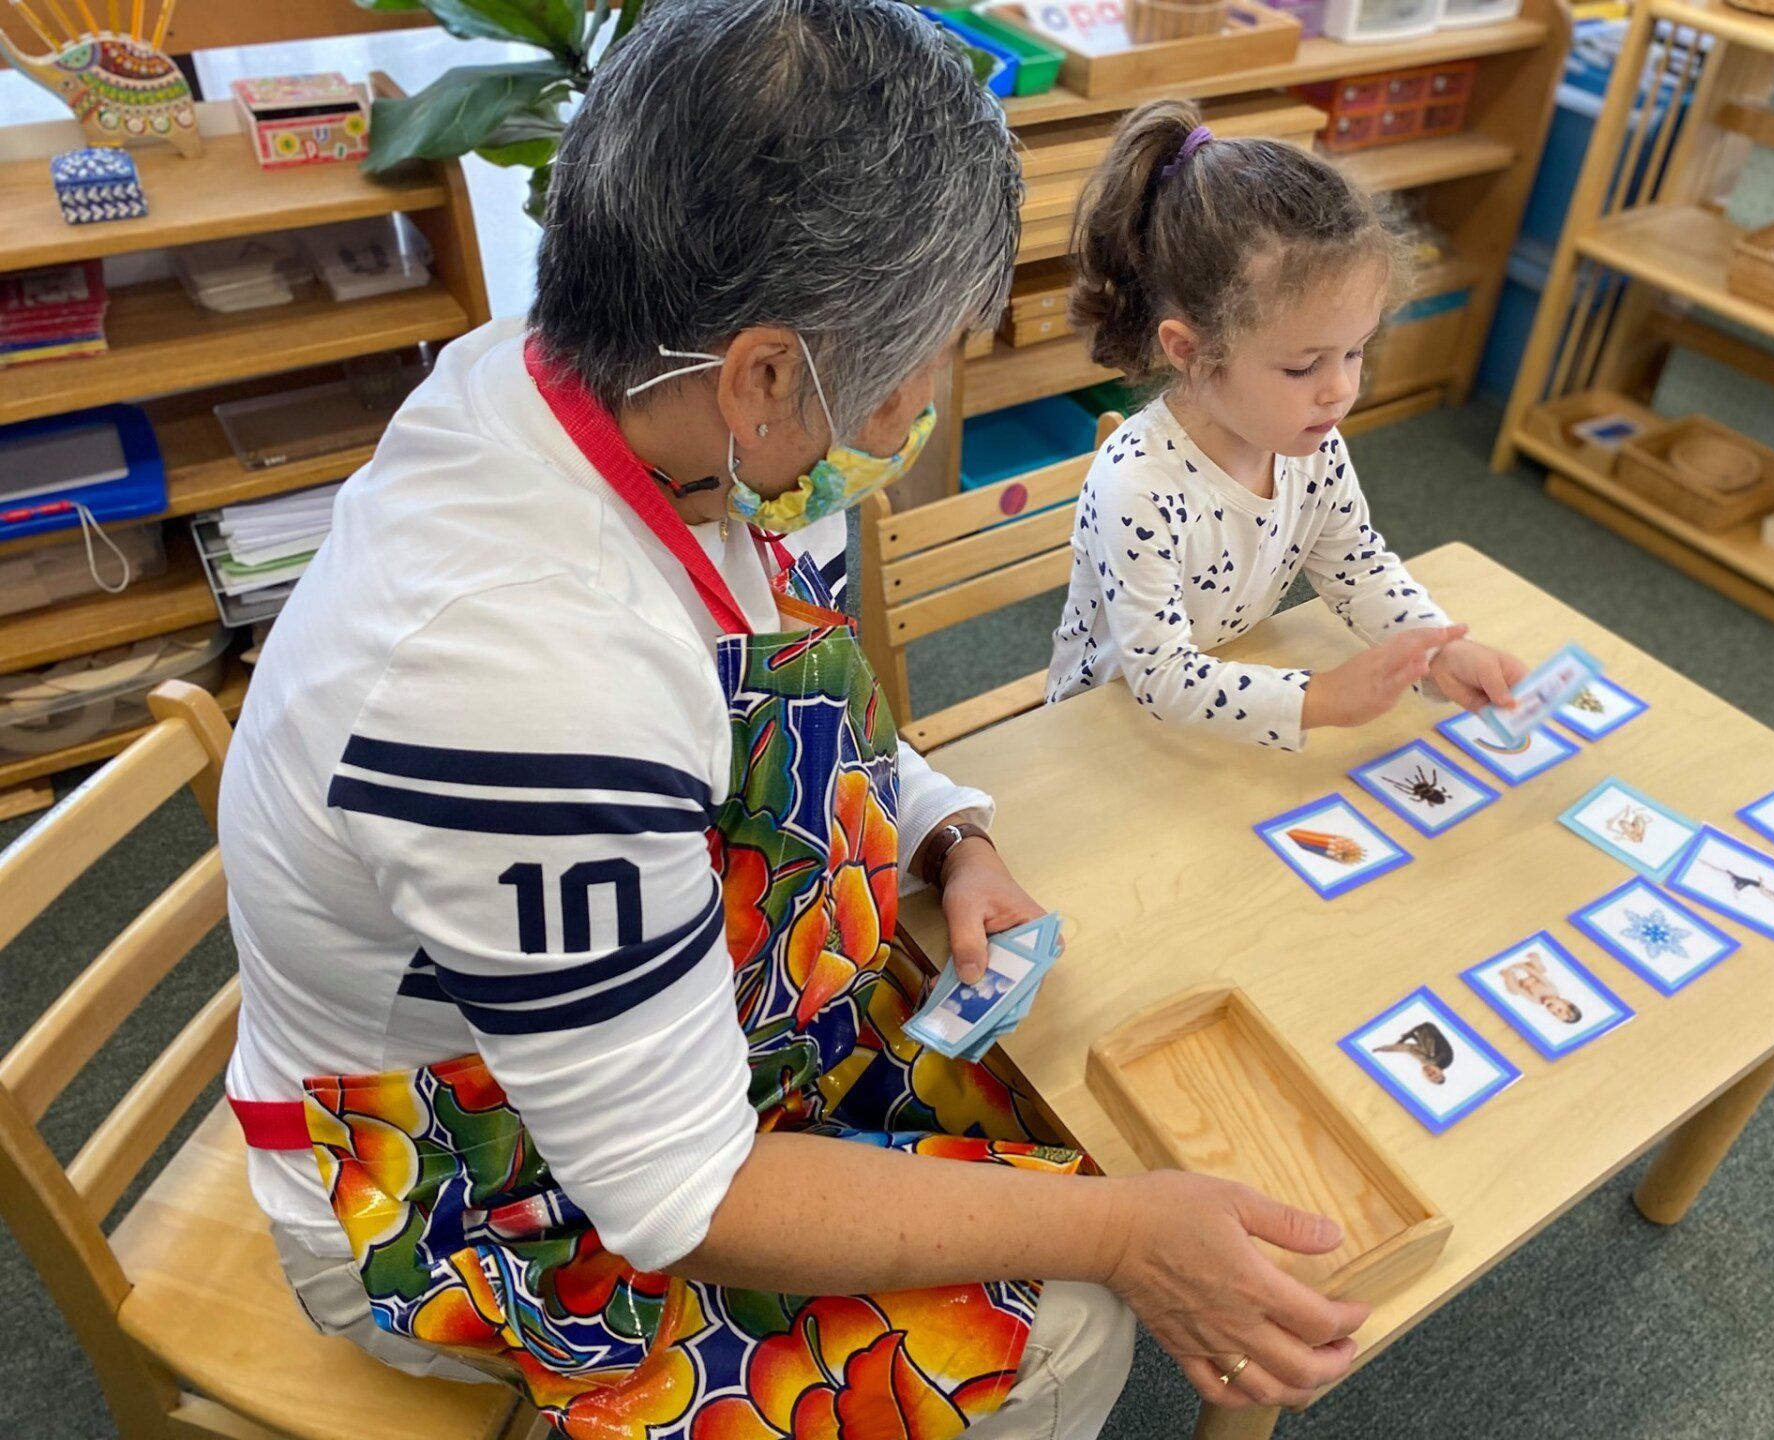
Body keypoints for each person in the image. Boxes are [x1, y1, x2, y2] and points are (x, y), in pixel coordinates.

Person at [215, 5, 1368, 1435]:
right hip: (471, 1175)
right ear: (767, 372)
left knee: (1073, 1076)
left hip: (667, 1018)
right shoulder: (518, 686)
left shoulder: (641, 396)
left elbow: (797, 675)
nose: (926, 401)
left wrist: (947, 831)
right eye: (922, 363)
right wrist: (1118, 1239)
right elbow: (679, 1199)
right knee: (1071, 1326)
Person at [1046, 101, 1525, 747]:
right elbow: (1161, 676)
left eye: (1355, 351)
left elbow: (1357, 567)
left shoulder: (1309, 443)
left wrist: (1435, 651)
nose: (1342, 390)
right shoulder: (1137, 484)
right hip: (1109, 725)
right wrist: (1319, 697)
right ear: (1189, 350)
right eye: (1303, 368)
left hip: (1230, 686)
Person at [1501, 955, 1583, 1025]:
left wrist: (1515, 985)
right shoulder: (1553, 990)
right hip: (1530, 971)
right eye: (1559, 1010)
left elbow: (1522, 992)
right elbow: (1538, 975)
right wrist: (1524, 967)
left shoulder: (1537, 1001)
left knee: (1514, 992)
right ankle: (1535, 958)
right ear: (1565, 1002)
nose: (1552, 1009)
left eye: (1554, 1014)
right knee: (1541, 970)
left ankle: (1507, 975)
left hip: (1521, 980)